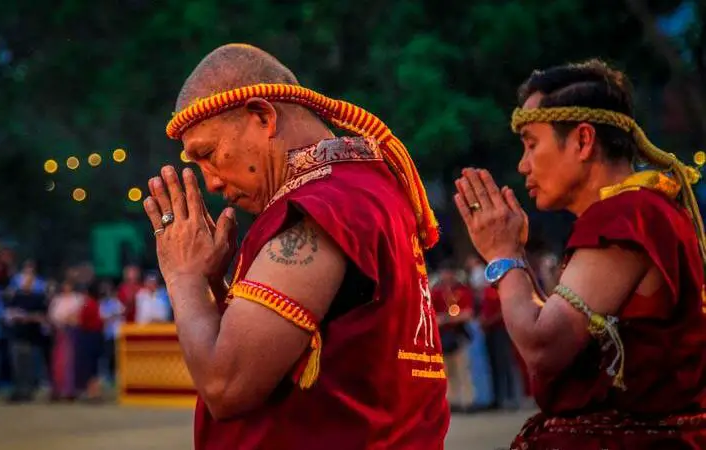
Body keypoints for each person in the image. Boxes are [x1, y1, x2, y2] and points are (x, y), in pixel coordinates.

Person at [143, 43, 448, 449]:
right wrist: (216, 286)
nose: (212, 183)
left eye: (209, 154)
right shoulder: (366, 188)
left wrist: (182, 276)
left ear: (262, 116)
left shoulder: (321, 209)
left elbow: (226, 384)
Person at [454, 59, 706, 448]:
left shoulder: (627, 216)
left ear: (583, 141)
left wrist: (502, 255)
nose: (523, 165)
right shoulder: (641, 210)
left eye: (532, 144)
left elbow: (543, 347)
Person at [430, 267, 475, 411]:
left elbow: (468, 313)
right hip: (442, 337)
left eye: (449, 272)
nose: (446, 275)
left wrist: (447, 318)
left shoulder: (462, 291)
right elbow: (432, 317)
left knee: (463, 369)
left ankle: (467, 401)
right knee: (446, 372)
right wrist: (451, 318)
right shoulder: (436, 292)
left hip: (458, 336)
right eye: (444, 272)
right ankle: (451, 402)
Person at [5, 274, 47, 402]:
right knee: (17, 367)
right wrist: (20, 316)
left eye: (29, 281)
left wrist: (26, 317)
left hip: (32, 338)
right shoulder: (15, 297)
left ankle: (28, 391)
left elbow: (42, 316)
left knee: (29, 367)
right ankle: (19, 391)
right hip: (17, 336)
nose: (26, 283)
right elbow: (9, 314)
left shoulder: (38, 298)